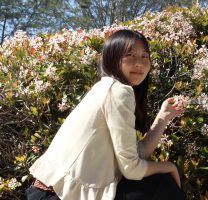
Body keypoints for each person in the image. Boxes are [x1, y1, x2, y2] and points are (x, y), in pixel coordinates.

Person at [26, 29, 186, 200]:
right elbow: (131, 169)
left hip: (45, 193)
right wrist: (169, 167)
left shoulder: (106, 87)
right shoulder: (119, 91)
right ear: (113, 58)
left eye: (144, 56)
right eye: (130, 54)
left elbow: (135, 156)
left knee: (157, 182)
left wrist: (163, 118)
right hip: (56, 195)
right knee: (161, 183)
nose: (139, 63)